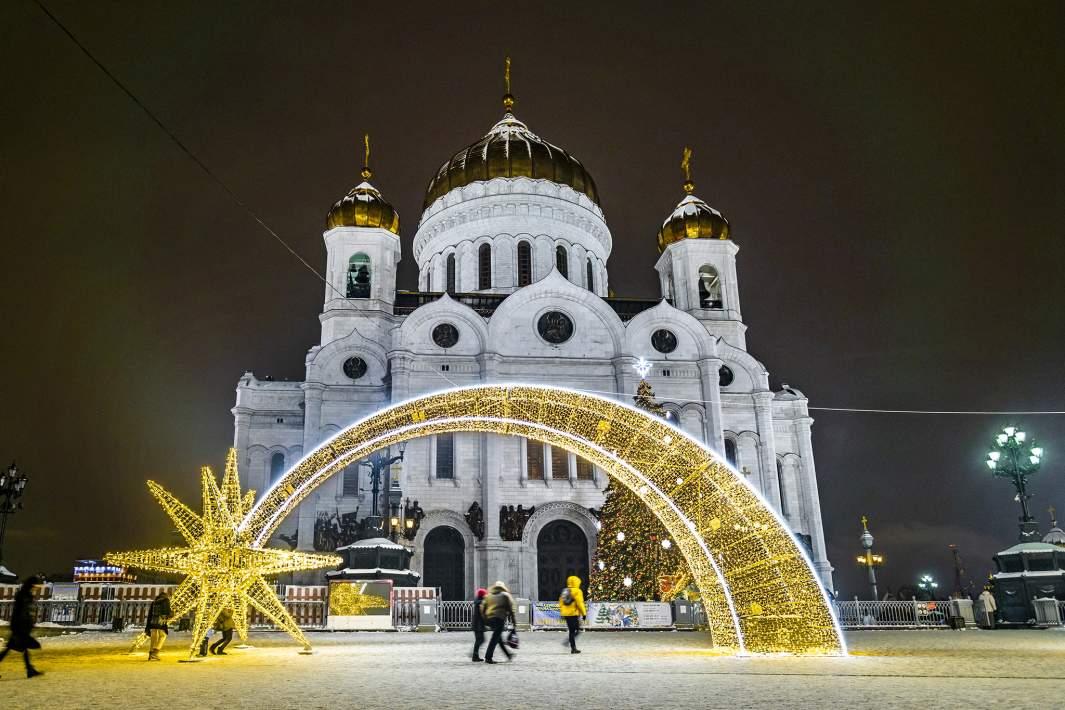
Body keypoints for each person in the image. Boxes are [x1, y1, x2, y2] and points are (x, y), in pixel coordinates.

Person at [0, 576, 43, 678]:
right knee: (11, 648)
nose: (36, 589)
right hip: (19, 626)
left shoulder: (27, 595)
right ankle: (30, 669)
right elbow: (19, 612)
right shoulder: (23, 596)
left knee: (20, 648)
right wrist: (20, 625)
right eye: (35, 586)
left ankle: (30, 669)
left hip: (23, 626)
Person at [482, 580, 515, 664]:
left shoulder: (488, 595)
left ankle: (508, 655)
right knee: (495, 638)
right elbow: (511, 609)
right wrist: (513, 621)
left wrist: (485, 620)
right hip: (499, 618)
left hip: (490, 619)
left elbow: (483, 608)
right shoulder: (505, 595)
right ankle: (488, 657)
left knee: (498, 638)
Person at [559, 575, 587, 654]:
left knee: (572, 631)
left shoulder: (565, 591)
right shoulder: (577, 591)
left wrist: (562, 612)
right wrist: (584, 613)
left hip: (566, 614)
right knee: (577, 630)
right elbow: (580, 603)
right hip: (573, 614)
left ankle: (573, 648)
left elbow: (561, 603)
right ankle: (569, 643)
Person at [145, 590, 172, 661]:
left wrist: (148, 626)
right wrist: (170, 615)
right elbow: (167, 611)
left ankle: (151, 653)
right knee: (163, 635)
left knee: (153, 638)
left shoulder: (154, 602)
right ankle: (155, 652)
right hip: (160, 621)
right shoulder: (166, 600)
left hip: (152, 622)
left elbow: (150, 614)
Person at [471, 588, 488, 662]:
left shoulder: (478, 601)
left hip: (477, 624)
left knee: (479, 640)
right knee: (480, 640)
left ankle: (475, 655)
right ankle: (474, 655)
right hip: (478, 624)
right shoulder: (480, 602)